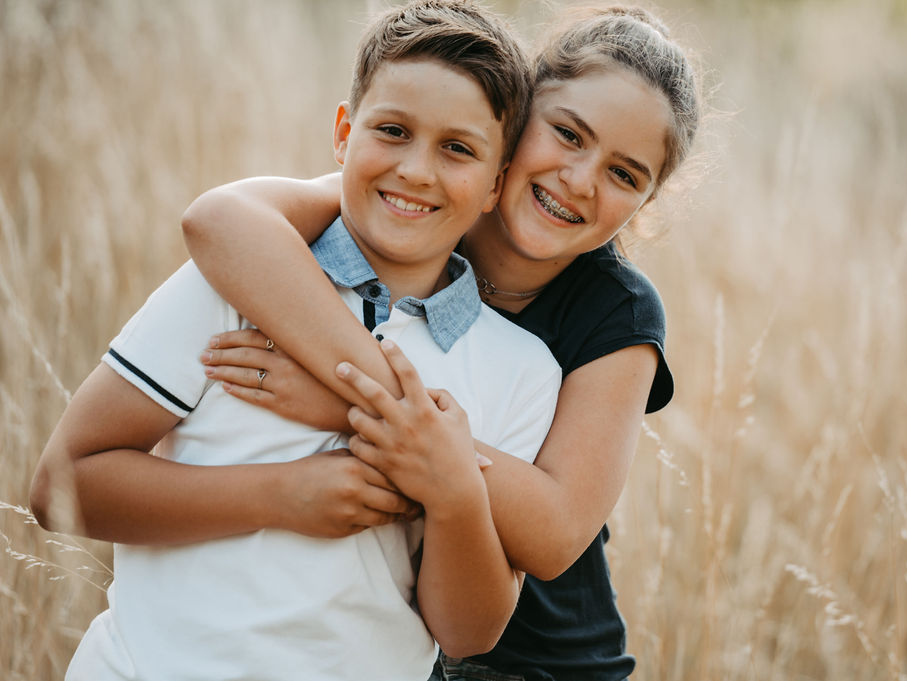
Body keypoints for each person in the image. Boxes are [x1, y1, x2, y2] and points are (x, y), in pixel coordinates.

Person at [28, 2, 561, 680]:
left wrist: (454, 489)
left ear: (497, 182)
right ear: (343, 134)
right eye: (392, 130)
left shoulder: (521, 370)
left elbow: (469, 632)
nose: (417, 170)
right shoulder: (238, 283)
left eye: (457, 148)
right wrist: (281, 495)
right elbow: (61, 485)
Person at [184, 6, 703, 680]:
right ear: (512, 121)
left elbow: (553, 531)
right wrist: (382, 396)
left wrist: (351, 405)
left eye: (625, 175)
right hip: (389, 639)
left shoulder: (620, 315)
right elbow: (221, 221)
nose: (580, 179)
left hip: (539, 661)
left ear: (645, 203)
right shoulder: (423, 204)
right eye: (568, 134)